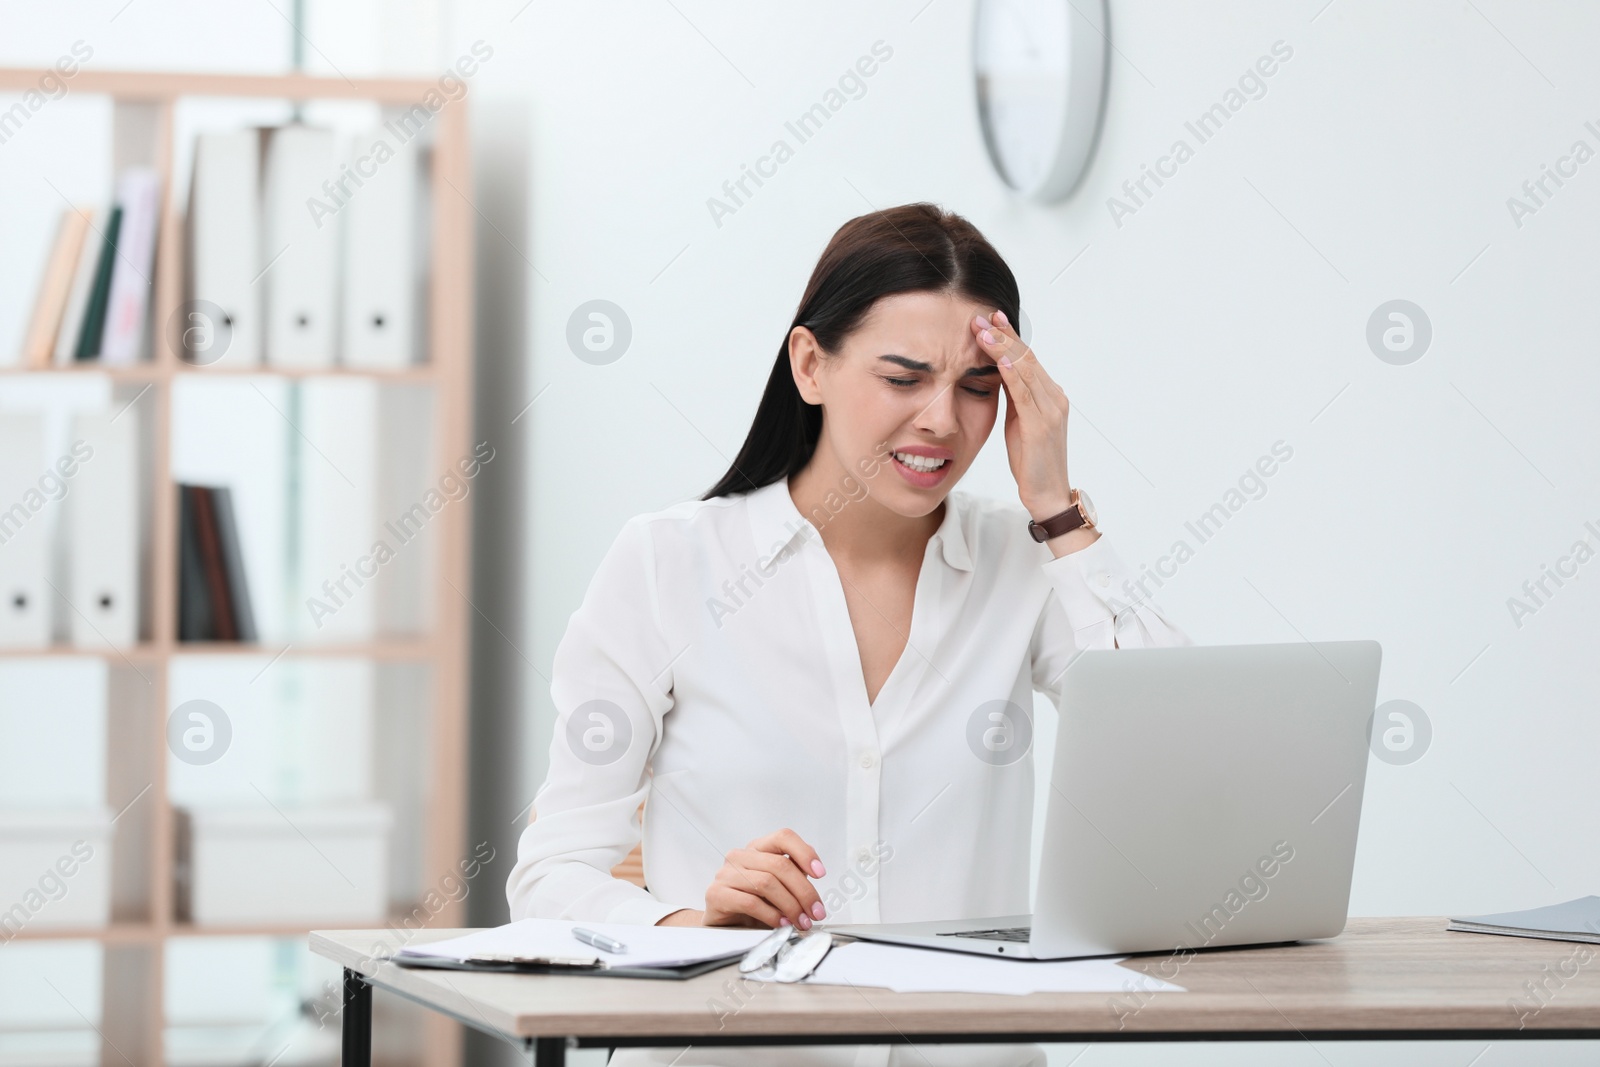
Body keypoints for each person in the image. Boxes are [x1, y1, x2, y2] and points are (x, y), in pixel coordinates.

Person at [506, 203, 1190, 1066]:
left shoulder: (1027, 566)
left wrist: (1055, 505)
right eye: (903, 378)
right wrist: (689, 927)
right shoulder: (669, 563)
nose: (943, 419)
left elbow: (1174, 756)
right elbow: (548, 876)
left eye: (980, 387)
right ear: (810, 364)